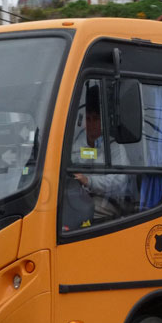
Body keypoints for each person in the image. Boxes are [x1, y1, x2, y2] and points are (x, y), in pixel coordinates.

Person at [70, 84, 130, 222]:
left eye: (96, 119)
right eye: (88, 119)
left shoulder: (114, 146)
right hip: (81, 195)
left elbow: (119, 180)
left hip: (110, 201)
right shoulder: (78, 143)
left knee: (78, 212)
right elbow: (71, 162)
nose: (91, 125)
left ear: (104, 121)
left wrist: (89, 181)